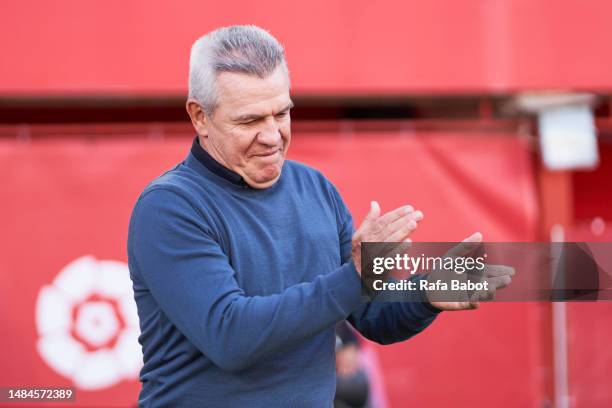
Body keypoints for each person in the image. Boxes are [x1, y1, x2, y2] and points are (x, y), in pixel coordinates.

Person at [127, 25, 511, 407]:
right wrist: (356, 275)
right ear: (199, 116)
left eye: (281, 113)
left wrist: (427, 292)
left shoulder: (315, 189)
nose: (272, 136)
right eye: (250, 121)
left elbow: (372, 315)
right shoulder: (170, 207)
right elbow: (231, 337)